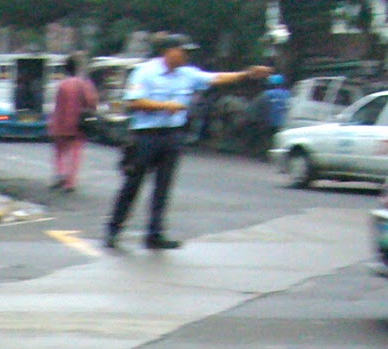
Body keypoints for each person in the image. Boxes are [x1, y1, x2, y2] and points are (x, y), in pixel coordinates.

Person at [103, 34, 272, 250]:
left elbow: (216, 78)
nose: (187, 56)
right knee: (132, 185)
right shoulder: (145, 71)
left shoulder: (187, 74)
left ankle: (155, 234)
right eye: (184, 51)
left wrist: (247, 74)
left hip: (172, 135)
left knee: (163, 187)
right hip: (145, 136)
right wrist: (166, 106)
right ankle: (113, 230)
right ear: (169, 51)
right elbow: (134, 101)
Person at [49, 53, 99, 192]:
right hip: (79, 125)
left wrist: (53, 124)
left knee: (60, 152)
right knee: (75, 154)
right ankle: (70, 182)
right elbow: (92, 102)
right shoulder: (85, 84)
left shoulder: (62, 85)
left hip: (61, 124)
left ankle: (60, 174)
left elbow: (57, 107)